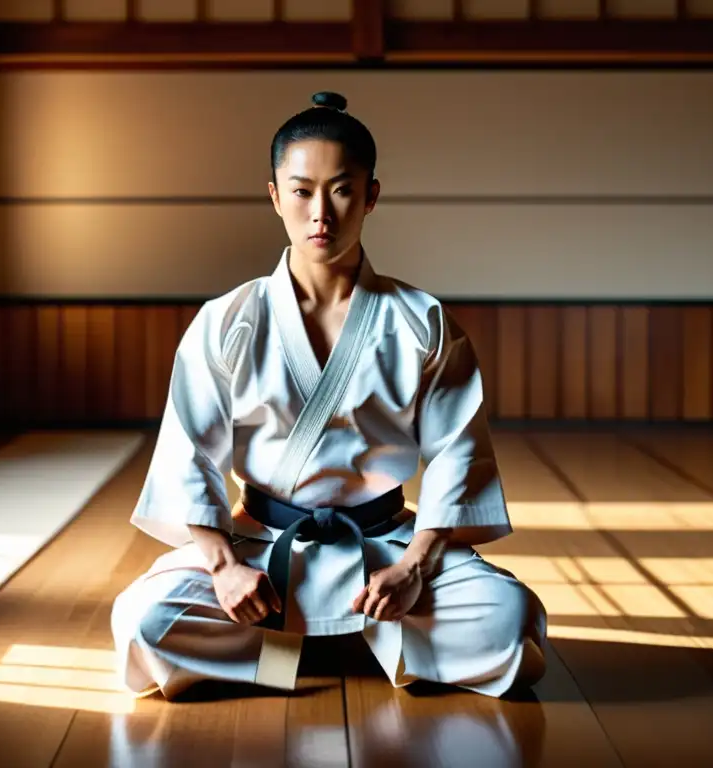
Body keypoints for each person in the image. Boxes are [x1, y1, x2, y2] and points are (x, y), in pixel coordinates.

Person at [111, 91, 547, 700]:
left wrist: (415, 567)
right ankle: (361, 640)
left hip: (386, 545)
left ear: (370, 195)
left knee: (510, 621)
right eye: (301, 190)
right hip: (260, 546)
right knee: (144, 623)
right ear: (274, 196)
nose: (322, 212)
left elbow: (457, 455)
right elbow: (189, 457)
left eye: (342, 189)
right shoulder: (228, 319)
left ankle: (313, 639)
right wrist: (225, 569)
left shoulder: (421, 321)